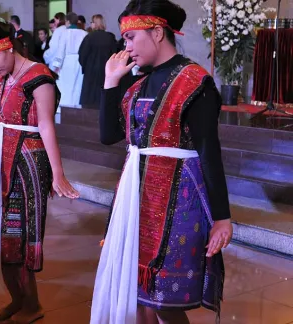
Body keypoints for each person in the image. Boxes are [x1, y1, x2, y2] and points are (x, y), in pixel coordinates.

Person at [90, 1, 233, 323]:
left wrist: (222, 218)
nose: (125, 46)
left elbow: (210, 150)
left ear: (157, 32)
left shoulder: (195, 81)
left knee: (164, 302)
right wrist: (110, 83)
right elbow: (109, 135)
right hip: (135, 195)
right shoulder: (138, 83)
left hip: (180, 197)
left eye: (130, 37)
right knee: (135, 292)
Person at [0, 22, 79, 324]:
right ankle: (21, 301)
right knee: (4, 239)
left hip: (27, 163)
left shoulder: (39, 76)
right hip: (0, 160)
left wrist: (58, 172)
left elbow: (47, 125)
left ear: (8, 47)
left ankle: (29, 305)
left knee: (17, 238)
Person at [78, 14, 118, 109]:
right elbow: (115, 54)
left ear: (95, 23)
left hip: (91, 71)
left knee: (90, 99)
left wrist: (85, 67)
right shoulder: (110, 37)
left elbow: (82, 55)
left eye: (92, 22)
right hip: (106, 71)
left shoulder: (89, 37)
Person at [52, 12, 88, 108]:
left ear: (67, 21)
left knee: (66, 86)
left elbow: (61, 50)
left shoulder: (64, 33)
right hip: (79, 63)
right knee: (77, 87)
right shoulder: (84, 33)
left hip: (67, 62)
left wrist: (56, 65)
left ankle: (64, 107)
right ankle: (76, 107)